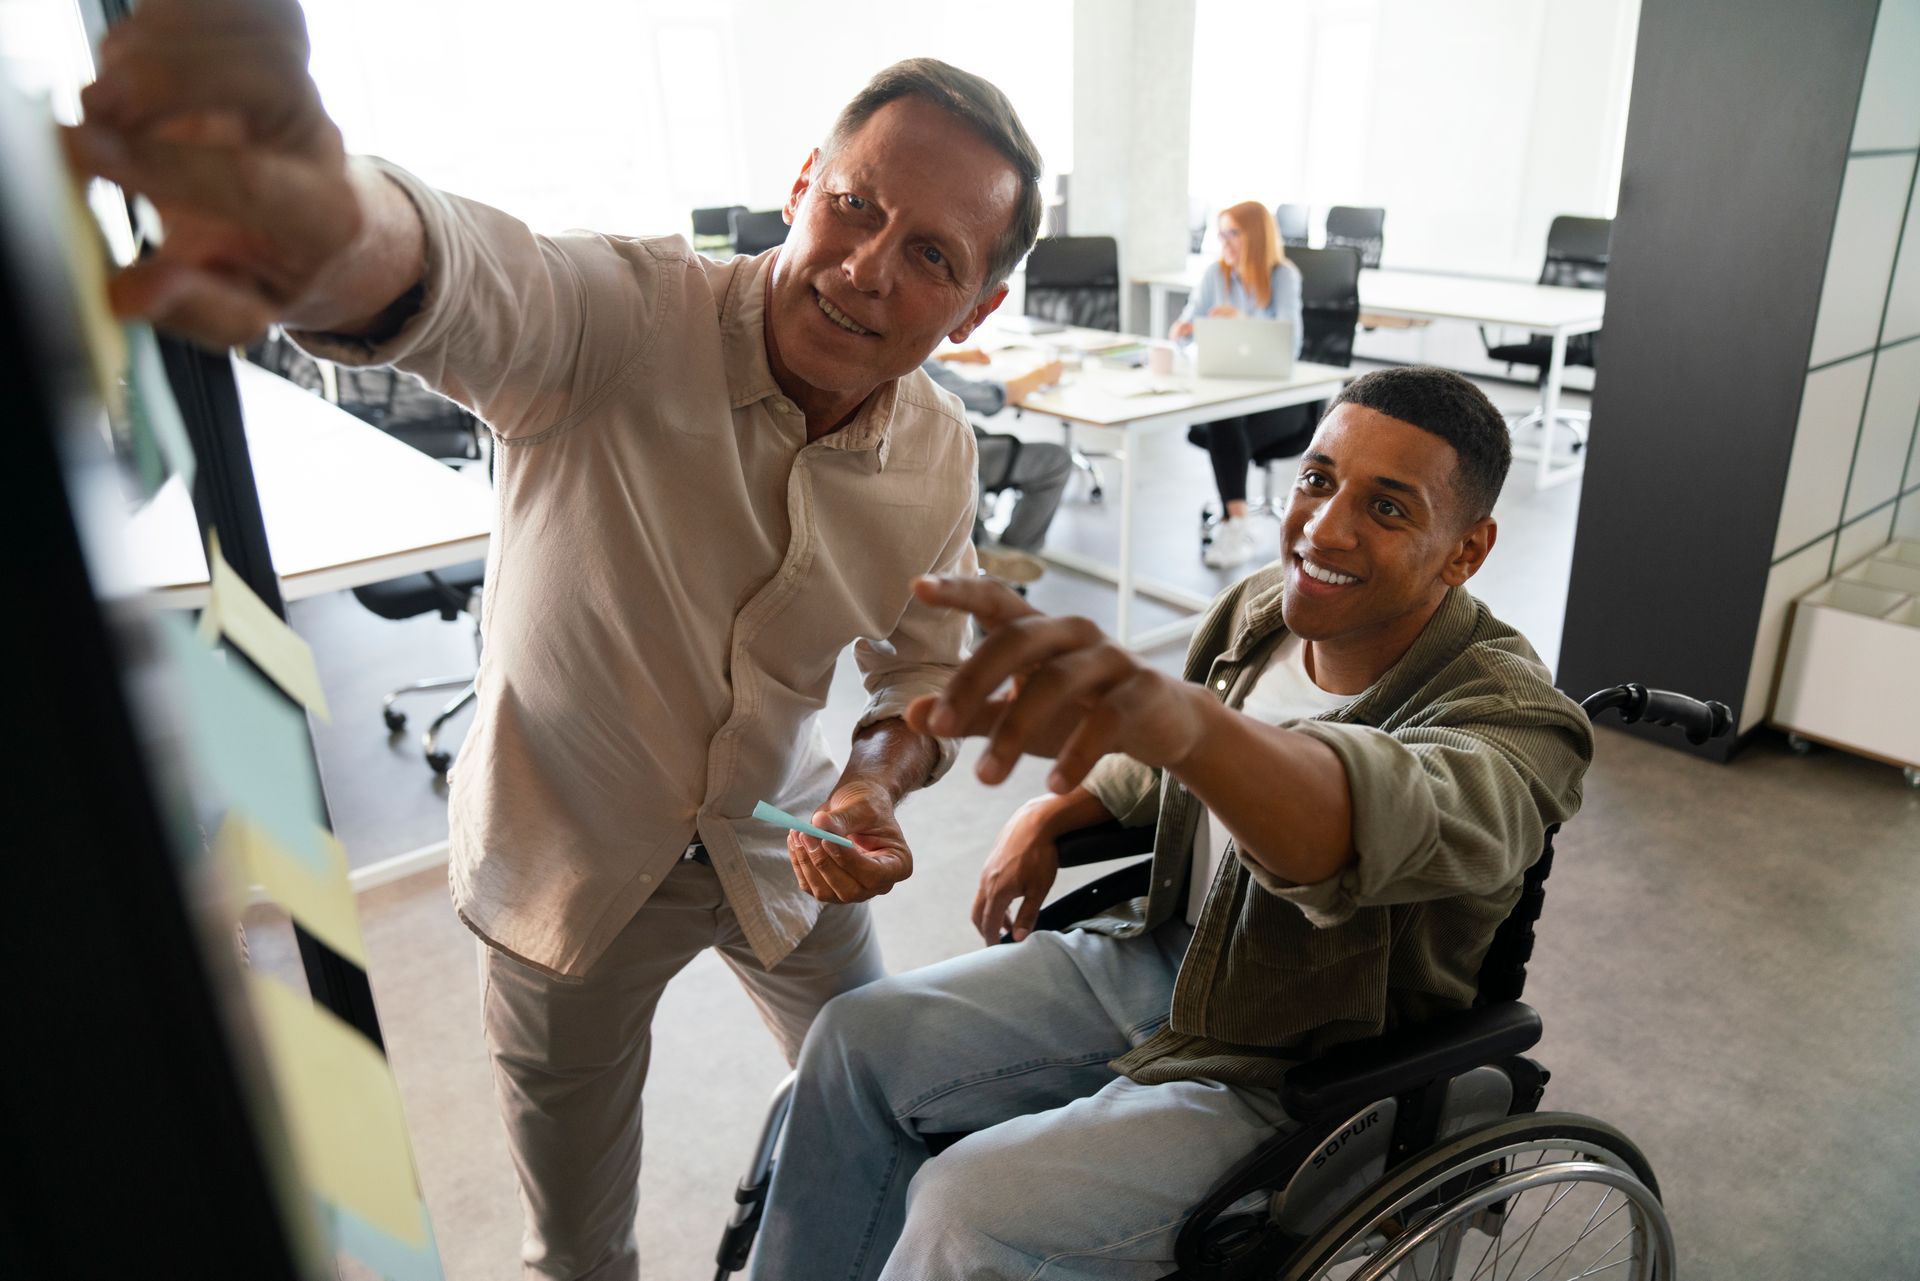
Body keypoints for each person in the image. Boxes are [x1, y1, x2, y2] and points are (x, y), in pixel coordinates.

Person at [66, 5, 1045, 1278]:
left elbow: (924, 665)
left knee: (901, 1123)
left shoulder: (939, 453)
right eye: (854, 206)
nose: (865, 268)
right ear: (803, 185)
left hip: (787, 848)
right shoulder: (625, 319)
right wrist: (311, 213)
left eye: (929, 254)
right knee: (577, 1250)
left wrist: (879, 775)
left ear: (978, 305)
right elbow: (466, 277)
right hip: (569, 860)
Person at [747, 366, 1594, 1281]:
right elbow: (1167, 762)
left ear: (1467, 550)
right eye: (1317, 479)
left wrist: (1187, 724)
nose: (1325, 528)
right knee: (851, 1042)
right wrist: (1055, 809)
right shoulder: (1260, 616)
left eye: (1388, 509)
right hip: (1169, 956)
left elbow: (1368, 817)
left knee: (968, 1208)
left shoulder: (1513, 717)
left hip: (1304, 1064)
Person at [1172, 201, 1306, 571]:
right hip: (1230, 395)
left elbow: (1290, 347)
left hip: (1282, 401)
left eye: (1233, 233)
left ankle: (1235, 524)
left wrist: (1240, 321)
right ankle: (1238, 521)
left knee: (1224, 420)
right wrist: (1186, 330)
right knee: (1223, 416)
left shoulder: (1283, 276)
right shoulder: (1215, 275)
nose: (1225, 242)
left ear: (1256, 236)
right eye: (1221, 234)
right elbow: (1186, 328)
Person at [922, 351, 1070, 585]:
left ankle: (986, 550)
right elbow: (991, 397)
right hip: (945, 456)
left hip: (931, 452)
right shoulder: (913, 360)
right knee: (1055, 461)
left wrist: (953, 357)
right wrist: (1043, 375)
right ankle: (1010, 556)